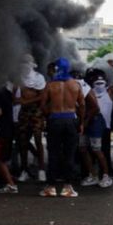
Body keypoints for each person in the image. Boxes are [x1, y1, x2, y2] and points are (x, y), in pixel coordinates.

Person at [41, 58, 84, 198]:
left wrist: (50, 115)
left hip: (55, 120)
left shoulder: (50, 85)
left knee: (53, 153)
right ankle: (67, 187)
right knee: (69, 154)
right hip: (71, 119)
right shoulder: (76, 85)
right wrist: (81, 122)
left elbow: (42, 105)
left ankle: (51, 187)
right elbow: (82, 105)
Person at [16, 55, 47, 183]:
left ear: (32, 64)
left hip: (36, 112)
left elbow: (42, 96)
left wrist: (26, 101)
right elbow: (15, 96)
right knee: (22, 141)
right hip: (23, 113)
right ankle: (24, 170)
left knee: (38, 140)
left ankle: (41, 169)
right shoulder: (19, 78)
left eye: (26, 63)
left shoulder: (39, 78)